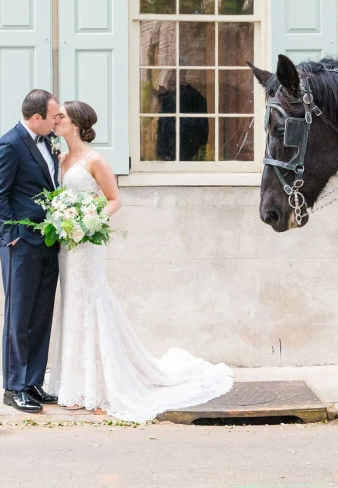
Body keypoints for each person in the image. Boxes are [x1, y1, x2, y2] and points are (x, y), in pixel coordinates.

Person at [49, 100, 233, 422]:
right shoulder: (62, 158)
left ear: (75, 123)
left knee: (91, 303)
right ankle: (76, 384)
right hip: (67, 246)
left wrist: (88, 223)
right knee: (72, 306)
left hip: (88, 244)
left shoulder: (96, 160)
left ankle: (102, 385)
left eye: (61, 116)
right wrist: (65, 222)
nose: (56, 119)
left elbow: (114, 200)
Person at [0, 89, 64, 413]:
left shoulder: (47, 143)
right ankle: (13, 387)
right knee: (18, 318)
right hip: (21, 246)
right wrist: (11, 238)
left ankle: (32, 382)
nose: (57, 120)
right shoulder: (8, 145)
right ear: (37, 118)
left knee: (41, 316)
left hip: (48, 243)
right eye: (53, 116)